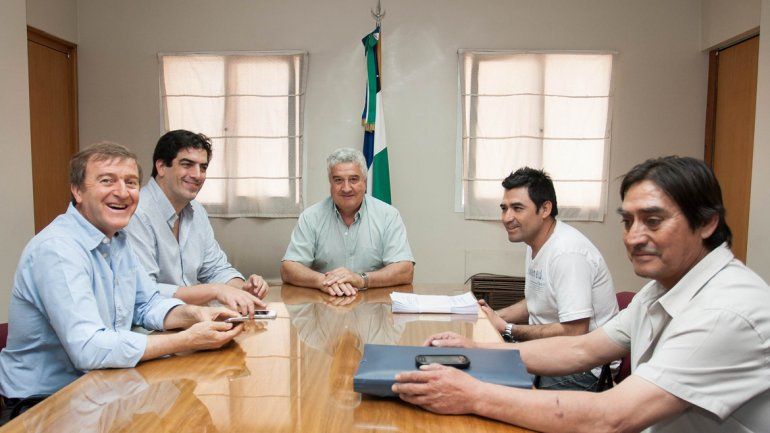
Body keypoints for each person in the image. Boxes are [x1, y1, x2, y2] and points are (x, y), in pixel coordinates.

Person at [393, 156, 770, 433]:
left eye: (653, 221)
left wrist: (473, 394)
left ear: (706, 222)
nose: (634, 237)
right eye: (628, 221)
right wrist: (478, 349)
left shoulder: (724, 311)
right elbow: (582, 349)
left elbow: (612, 417)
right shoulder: (662, 288)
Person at [0, 142, 243, 421]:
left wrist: (196, 315)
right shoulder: (57, 249)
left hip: (102, 387)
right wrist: (187, 339)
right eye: (107, 181)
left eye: (131, 182)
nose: (123, 192)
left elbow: (146, 303)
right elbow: (89, 349)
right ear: (77, 191)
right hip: (43, 405)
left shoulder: (117, 239)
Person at [483, 167, 618, 391]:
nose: (507, 218)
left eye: (517, 208)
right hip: (550, 349)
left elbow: (575, 332)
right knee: (480, 364)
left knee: (494, 388)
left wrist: (508, 329)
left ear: (545, 209)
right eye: (504, 208)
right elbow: (537, 301)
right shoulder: (535, 242)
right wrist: (492, 317)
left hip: (586, 369)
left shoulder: (567, 253)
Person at [125, 130, 268, 318]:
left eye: (203, 167)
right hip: (150, 325)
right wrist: (215, 291)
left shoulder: (196, 210)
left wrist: (244, 289)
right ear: (161, 167)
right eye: (187, 165)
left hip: (192, 319)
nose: (197, 175)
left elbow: (215, 269)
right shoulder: (136, 212)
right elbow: (146, 292)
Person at [281, 148, 414, 296]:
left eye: (353, 179)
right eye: (338, 180)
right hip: (326, 301)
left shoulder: (388, 215)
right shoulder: (311, 217)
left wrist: (362, 279)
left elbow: (405, 271)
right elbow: (288, 269)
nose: (346, 188)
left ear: (364, 181)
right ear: (330, 182)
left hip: (373, 304)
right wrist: (323, 281)